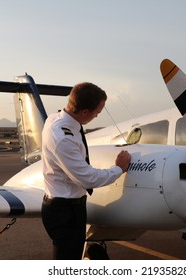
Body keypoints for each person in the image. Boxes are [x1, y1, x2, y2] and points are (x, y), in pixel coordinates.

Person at [41, 82, 131, 260]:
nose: (97, 116)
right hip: (64, 210)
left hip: (70, 206)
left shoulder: (56, 118)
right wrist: (118, 169)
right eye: (97, 112)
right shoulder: (63, 138)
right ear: (84, 112)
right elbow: (88, 179)